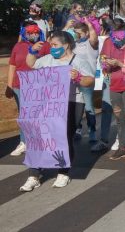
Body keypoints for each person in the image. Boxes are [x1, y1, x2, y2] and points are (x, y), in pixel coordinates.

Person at [20, 31, 95, 191]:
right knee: (41, 137)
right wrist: (32, 51)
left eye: (55, 45)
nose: (52, 48)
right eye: (51, 45)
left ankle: (63, 172)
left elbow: (89, 81)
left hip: (72, 103)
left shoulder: (78, 61)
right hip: (47, 104)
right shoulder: (48, 59)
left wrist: (78, 78)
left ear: (66, 45)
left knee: (64, 137)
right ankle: (34, 175)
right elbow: (31, 64)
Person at [100, 18, 125, 161]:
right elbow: (102, 59)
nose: (117, 36)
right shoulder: (107, 42)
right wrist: (105, 64)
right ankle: (123, 147)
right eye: (114, 32)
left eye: (120, 32)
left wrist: (119, 63)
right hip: (114, 83)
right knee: (118, 117)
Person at [6, 22, 48, 156]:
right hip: (19, 85)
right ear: (24, 33)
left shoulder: (45, 46)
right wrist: (9, 86)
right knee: (23, 115)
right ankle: (24, 142)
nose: (32, 35)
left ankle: (40, 141)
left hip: (38, 86)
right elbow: (12, 66)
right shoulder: (18, 46)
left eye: (35, 32)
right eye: (29, 32)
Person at [64, 19, 99, 142]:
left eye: (79, 33)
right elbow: (59, 39)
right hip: (73, 80)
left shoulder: (90, 44)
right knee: (74, 106)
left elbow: (94, 39)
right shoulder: (72, 44)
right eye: (75, 33)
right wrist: (67, 26)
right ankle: (77, 129)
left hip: (87, 80)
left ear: (86, 33)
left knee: (88, 107)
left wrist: (89, 25)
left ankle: (92, 131)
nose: (76, 35)